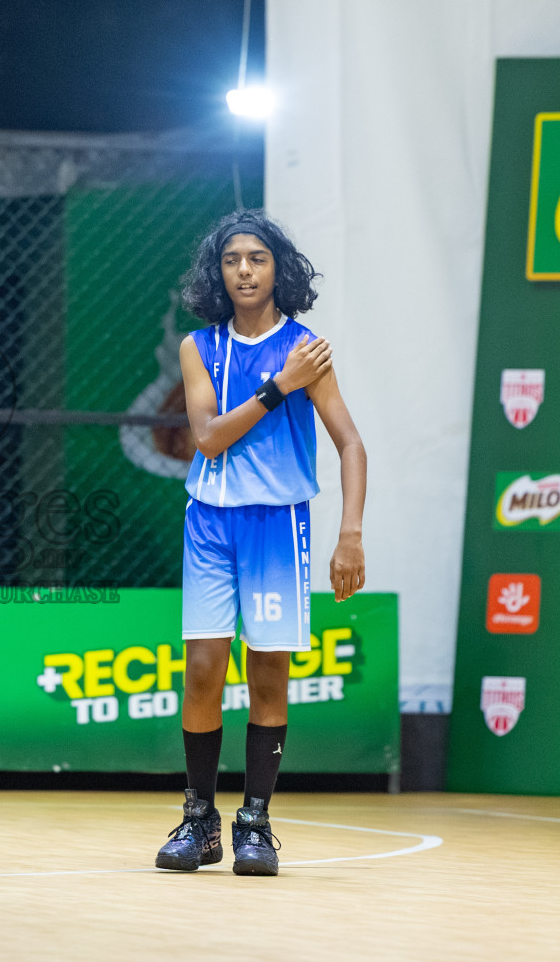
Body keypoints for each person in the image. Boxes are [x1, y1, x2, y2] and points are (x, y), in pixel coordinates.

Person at [155, 209, 366, 877]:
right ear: (217, 273)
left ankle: (254, 823)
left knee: (269, 672)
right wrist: (280, 386)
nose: (244, 270)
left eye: (257, 258)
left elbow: (351, 445)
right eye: (231, 260)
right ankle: (198, 821)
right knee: (202, 672)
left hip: (280, 523)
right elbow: (209, 437)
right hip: (211, 522)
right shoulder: (200, 347)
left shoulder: (307, 348)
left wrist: (350, 534)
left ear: (280, 269)